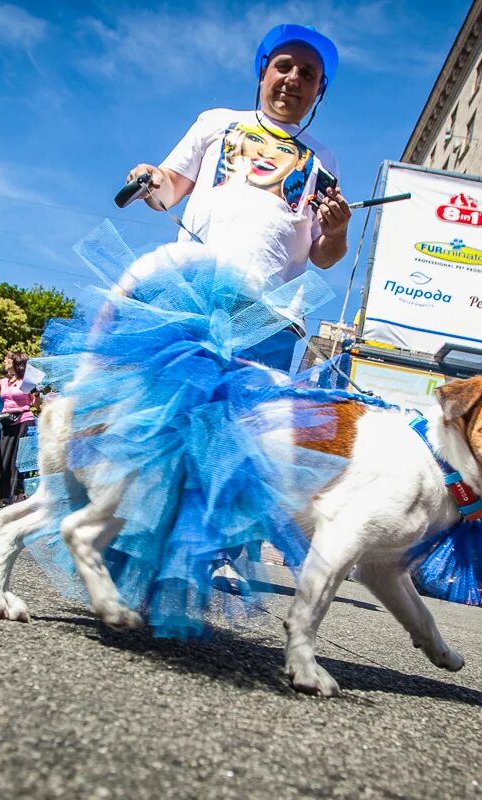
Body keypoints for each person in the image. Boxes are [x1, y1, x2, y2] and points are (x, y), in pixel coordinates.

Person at [125, 23, 350, 590]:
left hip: (270, 313)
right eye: (285, 66)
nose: (293, 79)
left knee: (247, 432)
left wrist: (337, 229)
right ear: (263, 72)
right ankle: (138, 528)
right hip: (195, 289)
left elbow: (324, 255)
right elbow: (168, 189)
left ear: (318, 92)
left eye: (308, 74)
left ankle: (222, 547)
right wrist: (150, 175)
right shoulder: (216, 123)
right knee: (172, 414)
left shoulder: (323, 159)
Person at [0, 350, 37, 506]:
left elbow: (36, 403)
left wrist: (36, 392)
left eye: (8, 359)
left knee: (17, 460)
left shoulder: (27, 382)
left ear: (16, 362)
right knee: (1, 458)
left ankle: (16, 496)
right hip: (7, 423)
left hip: (24, 421)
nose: (5, 361)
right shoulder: (3, 382)